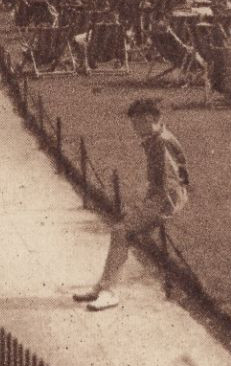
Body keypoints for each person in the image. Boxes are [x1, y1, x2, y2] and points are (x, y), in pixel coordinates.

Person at [72, 99, 188, 312]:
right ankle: (103, 286)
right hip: (161, 198)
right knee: (120, 231)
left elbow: (169, 184)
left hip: (167, 201)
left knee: (121, 232)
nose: (134, 129)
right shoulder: (157, 138)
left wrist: (148, 210)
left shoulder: (161, 142)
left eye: (137, 123)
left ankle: (109, 292)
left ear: (150, 119)